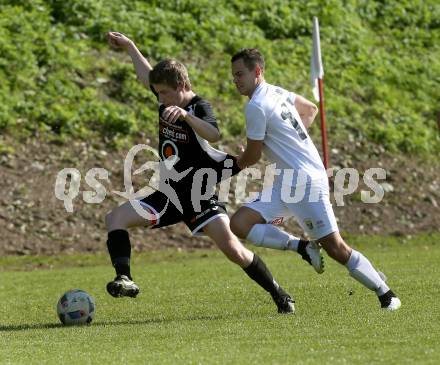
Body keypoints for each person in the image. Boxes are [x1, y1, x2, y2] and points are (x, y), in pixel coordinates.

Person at [104, 32, 302, 314]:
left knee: (234, 250)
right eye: (157, 92)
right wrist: (130, 47)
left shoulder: (197, 107)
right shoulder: (166, 100)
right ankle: (125, 278)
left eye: (164, 93)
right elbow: (146, 75)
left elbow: (215, 134)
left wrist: (186, 116)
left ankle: (280, 294)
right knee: (115, 218)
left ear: (182, 85)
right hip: (169, 195)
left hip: (198, 197)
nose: (159, 98)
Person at [229, 48, 401, 311]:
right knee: (240, 223)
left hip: (304, 183)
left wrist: (239, 162)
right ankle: (302, 247)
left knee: (335, 248)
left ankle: (386, 294)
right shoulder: (276, 92)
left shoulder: (256, 106)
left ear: (258, 71)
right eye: (234, 76)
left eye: (241, 74)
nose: (236, 80)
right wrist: (288, 144)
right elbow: (309, 109)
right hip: (289, 180)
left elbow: (252, 155)